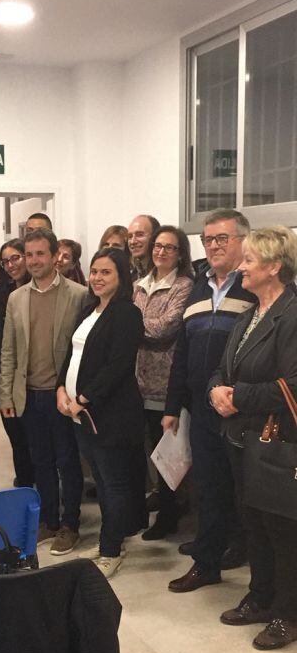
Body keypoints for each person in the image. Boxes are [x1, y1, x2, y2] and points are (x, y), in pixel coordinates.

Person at [208, 226, 297, 650]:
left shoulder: (293, 314)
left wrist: (236, 396)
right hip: (243, 438)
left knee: (282, 530)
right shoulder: (249, 314)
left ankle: (288, 613)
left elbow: (292, 386)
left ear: (274, 266)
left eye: (248, 261)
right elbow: (222, 369)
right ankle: (261, 597)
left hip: (277, 441)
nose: (240, 267)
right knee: (254, 523)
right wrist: (215, 391)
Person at [165, 209, 256, 593]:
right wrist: (173, 405)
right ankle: (207, 562)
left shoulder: (255, 286)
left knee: (247, 492)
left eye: (223, 238)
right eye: (208, 239)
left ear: (243, 241)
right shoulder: (198, 288)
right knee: (208, 486)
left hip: (243, 410)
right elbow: (182, 351)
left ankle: (249, 560)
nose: (214, 246)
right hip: (202, 408)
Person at [0, 229, 90, 554]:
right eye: (30, 254)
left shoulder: (79, 294)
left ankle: (70, 525)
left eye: (41, 254)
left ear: (55, 257)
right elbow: (8, 350)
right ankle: (49, 521)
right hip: (29, 394)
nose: (34, 260)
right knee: (40, 462)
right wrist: (6, 394)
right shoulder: (16, 297)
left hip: (61, 395)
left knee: (67, 461)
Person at [57, 249, 145, 578]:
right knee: (103, 481)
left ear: (121, 277)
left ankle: (111, 549)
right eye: (94, 271)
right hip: (80, 413)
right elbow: (71, 355)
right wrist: (60, 390)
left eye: (106, 272)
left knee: (114, 484)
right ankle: (111, 540)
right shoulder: (90, 310)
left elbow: (118, 366)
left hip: (111, 415)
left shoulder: (126, 314)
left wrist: (84, 397)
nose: (96, 278)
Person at [134, 226, 194, 540]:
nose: (161, 252)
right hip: (138, 382)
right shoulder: (139, 285)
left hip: (166, 384)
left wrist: (133, 324)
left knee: (169, 454)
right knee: (149, 453)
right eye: (158, 246)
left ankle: (169, 517)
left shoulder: (184, 286)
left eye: (169, 248)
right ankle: (161, 505)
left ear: (180, 253)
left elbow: (166, 327)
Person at [0, 239, 34, 491]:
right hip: (7, 381)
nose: (10, 265)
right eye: (5, 261)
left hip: (35, 382)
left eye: (16, 258)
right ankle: (26, 492)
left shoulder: (39, 292)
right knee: (18, 443)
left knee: (37, 445)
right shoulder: (2, 296)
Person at [127, 214, 160, 279]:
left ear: (155, 236)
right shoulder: (131, 275)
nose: (133, 242)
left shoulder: (165, 272)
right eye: (130, 237)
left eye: (140, 235)